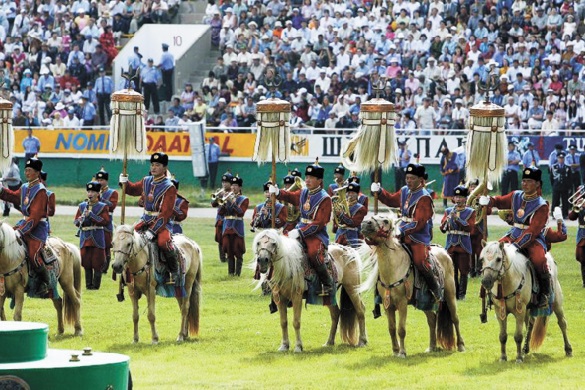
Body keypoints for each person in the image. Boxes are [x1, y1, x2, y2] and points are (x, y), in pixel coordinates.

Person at [479, 167, 551, 307]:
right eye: (523, 181)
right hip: (514, 234)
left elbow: (533, 231)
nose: (524, 184)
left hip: (533, 239)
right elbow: (498, 201)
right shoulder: (516, 195)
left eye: (529, 181)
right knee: (492, 252)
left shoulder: (542, 205)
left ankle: (545, 292)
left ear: (537, 184)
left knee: (539, 259)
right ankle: (489, 292)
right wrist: (488, 200)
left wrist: (515, 246)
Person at [371, 163, 442, 301]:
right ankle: (379, 293)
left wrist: (400, 231)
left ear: (421, 179)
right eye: (407, 178)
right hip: (400, 232)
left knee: (420, 261)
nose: (408, 180)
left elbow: (419, 223)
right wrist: (379, 191)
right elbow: (391, 200)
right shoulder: (404, 190)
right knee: (380, 253)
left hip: (417, 237)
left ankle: (435, 288)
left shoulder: (424, 197)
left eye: (412, 178)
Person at [269, 160, 334, 296]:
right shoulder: (304, 192)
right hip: (300, 227)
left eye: (311, 178)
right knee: (280, 247)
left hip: (316, 234)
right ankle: (278, 280)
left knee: (313, 253)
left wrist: (299, 232)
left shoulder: (325, 199)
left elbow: (319, 223)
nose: (307, 180)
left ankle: (327, 283)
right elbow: (291, 197)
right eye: (307, 177)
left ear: (319, 180)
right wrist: (278, 192)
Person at [119, 152, 180, 280]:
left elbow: (165, 214)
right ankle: (126, 270)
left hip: (161, 224)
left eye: (157, 165)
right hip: (145, 219)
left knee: (163, 242)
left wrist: (152, 231)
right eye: (152, 164)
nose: (153, 167)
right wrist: (125, 182)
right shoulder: (146, 180)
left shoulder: (169, 187)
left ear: (164, 168)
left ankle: (174, 270)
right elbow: (133, 190)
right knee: (127, 238)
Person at [0, 157, 50, 295]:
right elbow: (13, 197)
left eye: (30, 170)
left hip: (37, 228)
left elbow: (35, 217)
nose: (26, 173)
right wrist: (1, 191)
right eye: (26, 170)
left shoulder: (41, 191)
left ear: (37, 173)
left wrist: (20, 232)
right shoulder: (24, 187)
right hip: (24, 224)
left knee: (34, 254)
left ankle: (45, 283)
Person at [439, 185, 475, 300]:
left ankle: (462, 294)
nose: (458, 199)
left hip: (463, 244)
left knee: (464, 271)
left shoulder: (470, 212)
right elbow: (443, 229)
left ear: (465, 198)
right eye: (456, 197)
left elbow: (470, 228)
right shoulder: (448, 211)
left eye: (461, 197)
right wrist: (446, 221)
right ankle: (454, 293)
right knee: (451, 270)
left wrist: (457, 219)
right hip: (451, 244)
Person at [74, 181, 110, 290]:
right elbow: (75, 221)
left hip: (97, 237)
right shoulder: (82, 206)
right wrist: (79, 220)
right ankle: (88, 285)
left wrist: (92, 215)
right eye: (88, 191)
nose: (90, 194)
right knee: (86, 261)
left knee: (97, 261)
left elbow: (105, 221)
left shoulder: (103, 206)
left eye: (93, 191)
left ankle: (96, 285)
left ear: (98, 193)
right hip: (85, 237)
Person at [218, 175, 248, 276]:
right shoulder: (226, 197)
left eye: (236, 185)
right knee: (228, 249)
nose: (233, 187)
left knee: (238, 249)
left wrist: (232, 202)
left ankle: (238, 273)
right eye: (233, 185)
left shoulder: (244, 199)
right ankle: (231, 273)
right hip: (227, 227)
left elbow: (240, 212)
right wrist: (223, 202)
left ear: (240, 187)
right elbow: (220, 212)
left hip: (237, 227)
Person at [96, 167, 118, 274]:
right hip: (95, 220)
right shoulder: (94, 191)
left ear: (106, 181)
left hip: (107, 221)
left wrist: (100, 198)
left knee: (106, 245)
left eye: (102, 180)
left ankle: (105, 267)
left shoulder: (112, 192)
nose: (100, 182)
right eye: (98, 180)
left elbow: (112, 206)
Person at [334, 181, 366, 248]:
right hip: (339, 236)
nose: (350, 195)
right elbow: (337, 222)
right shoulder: (342, 204)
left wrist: (341, 214)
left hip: (352, 237)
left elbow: (353, 223)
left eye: (353, 193)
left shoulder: (361, 208)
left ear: (357, 194)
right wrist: (336, 213)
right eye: (348, 192)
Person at [212, 171, 233, 262]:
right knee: (219, 238)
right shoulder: (220, 191)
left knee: (228, 239)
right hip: (220, 218)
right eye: (223, 182)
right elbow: (213, 204)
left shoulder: (233, 193)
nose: (224, 184)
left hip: (228, 218)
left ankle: (229, 256)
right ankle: (222, 257)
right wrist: (217, 197)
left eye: (226, 182)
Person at [568, 201, 585, 287]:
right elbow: (571, 217)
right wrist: (576, 208)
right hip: (582, 234)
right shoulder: (581, 204)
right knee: (581, 258)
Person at [551, 152, 571, 219]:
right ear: (557, 158)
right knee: (555, 201)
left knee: (565, 201)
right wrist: (553, 185)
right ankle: (554, 214)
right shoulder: (554, 167)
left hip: (565, 187)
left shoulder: (567, 167)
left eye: (562, 158)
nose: (561, 160)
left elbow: (569, 178)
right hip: (556, 186)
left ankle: (565, 214)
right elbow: (551, 178)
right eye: (560, 158)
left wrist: (569, 187)